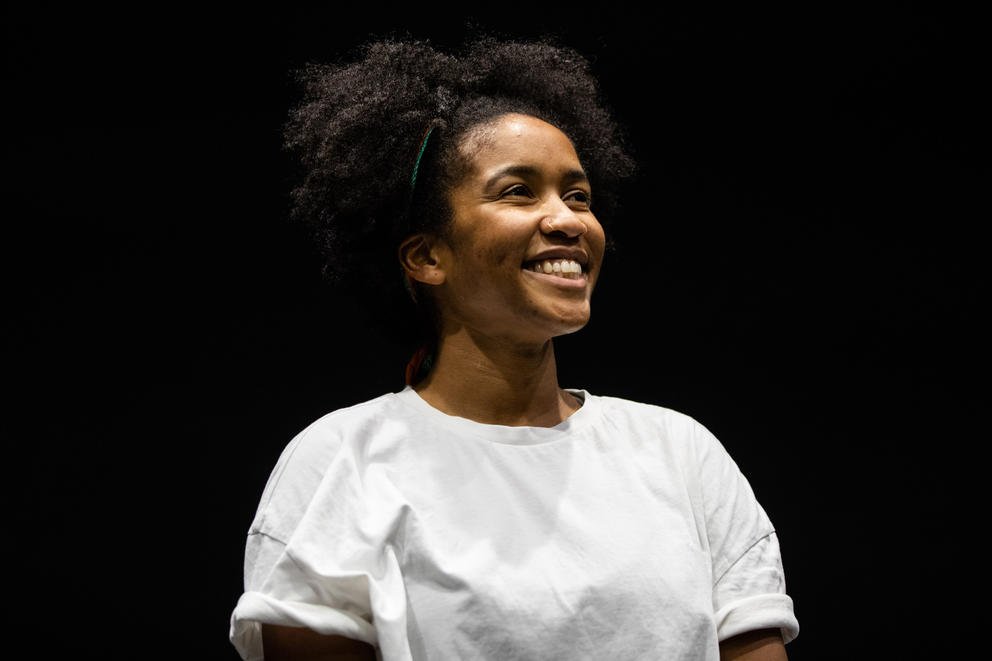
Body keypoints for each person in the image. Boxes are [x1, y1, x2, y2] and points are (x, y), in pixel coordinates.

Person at [229, 36, 799, 661]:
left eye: (577, 195)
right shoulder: (343, 461)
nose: (568, 220)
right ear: (427, 257)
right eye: (518, 192)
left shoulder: (680, 453)